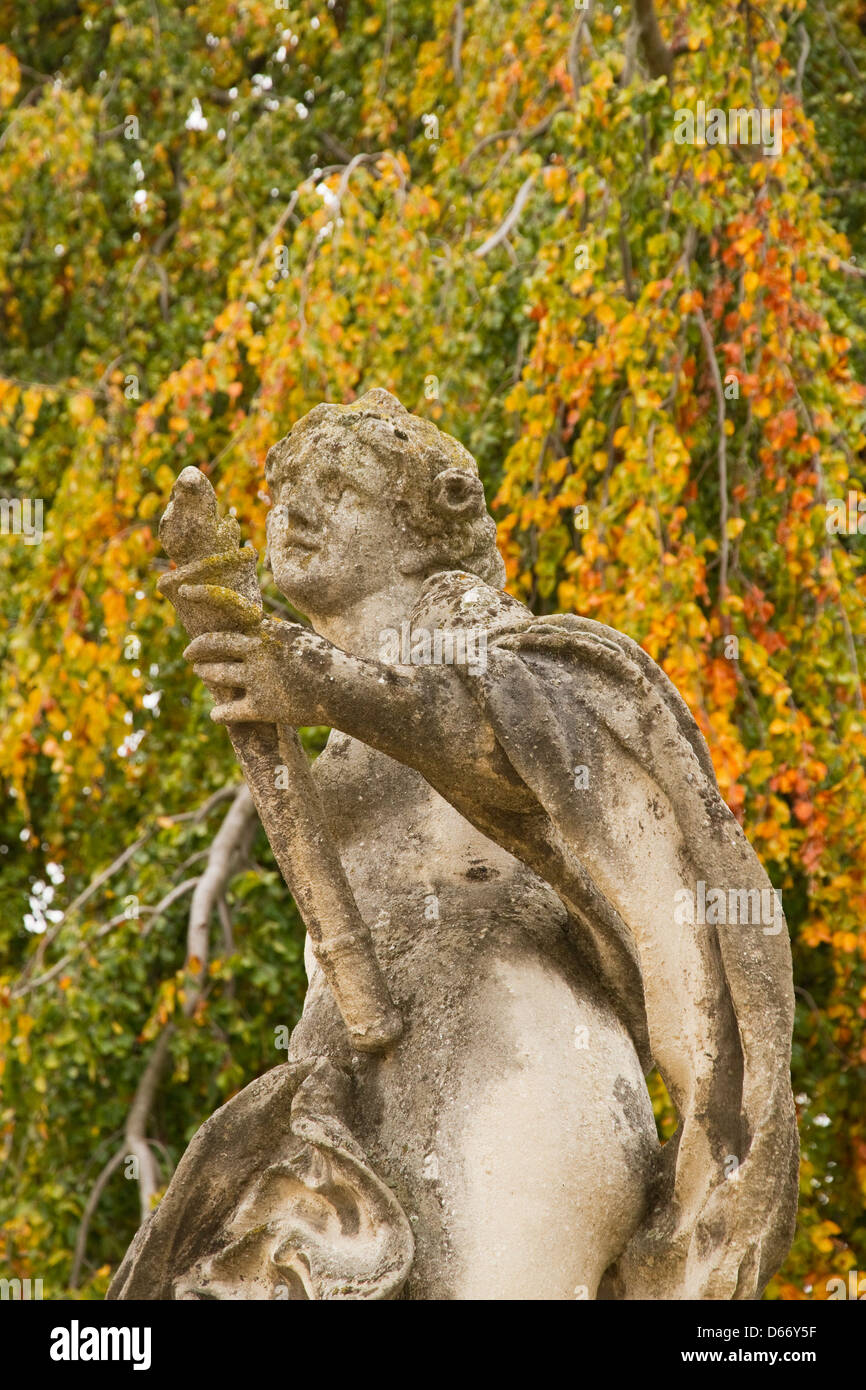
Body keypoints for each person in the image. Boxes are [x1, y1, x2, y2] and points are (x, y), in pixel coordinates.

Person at [109, 389, 797, 1301]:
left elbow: (533, 751)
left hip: (505, 1051)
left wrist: (326, 683)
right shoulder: (329, 713)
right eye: (282, 489)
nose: (295, 511)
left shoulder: (498, 651)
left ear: (422, 521)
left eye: (337, 486)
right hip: (340, 1083)